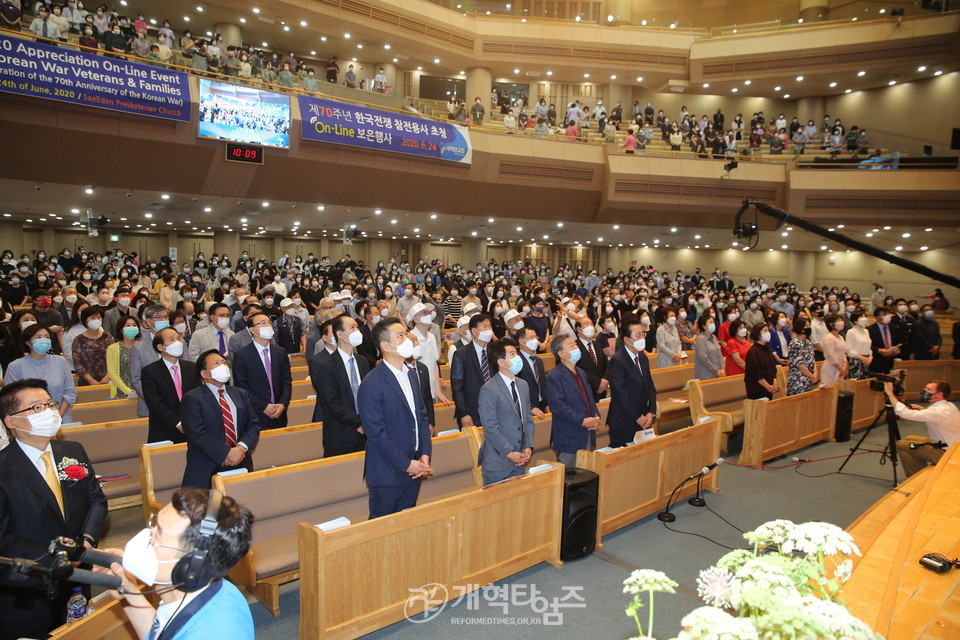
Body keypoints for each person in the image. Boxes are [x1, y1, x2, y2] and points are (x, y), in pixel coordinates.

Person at [0, 379, 107, 640]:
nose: (48, 412)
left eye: (49, 404)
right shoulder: (3, 468)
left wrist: (87, 542)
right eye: (36, 408)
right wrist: (60, 558)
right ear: (11, 421)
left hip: (77, 577)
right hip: (28, 585)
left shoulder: (72, 450)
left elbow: (96, 501)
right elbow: (4, 539)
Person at [95, 488, 254, 640]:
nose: (146, 537)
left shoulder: (205, 635)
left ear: (191, 566)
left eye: (158, 535)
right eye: (153, 526)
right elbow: (160, 633)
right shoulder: (222, 590)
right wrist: (127, 591)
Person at [356, 318, 433, 518]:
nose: (407, 339)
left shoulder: (411, 374)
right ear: (386, 346)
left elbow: (421, 417)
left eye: (406, 334)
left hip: (415, 467)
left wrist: (424, 452)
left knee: (406, 528)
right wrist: (406, 464)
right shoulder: (372, 383)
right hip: (388, 473)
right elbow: (376, 434)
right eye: (400, 336)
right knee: (382, 533)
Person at [179, 350, 263, 489]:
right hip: (207, 466)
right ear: (204, 374)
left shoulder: (240, 394)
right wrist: (227, 452)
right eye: (216, 363)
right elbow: (197, 434)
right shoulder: (193, 398)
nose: (222, 365)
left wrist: (241, 448)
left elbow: (253, 425)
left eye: (224, 362)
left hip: (241, 461)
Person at [477, 338, 535, 485]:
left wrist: (528, 445)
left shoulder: (523, 385)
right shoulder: (489, 389)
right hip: (499, 461)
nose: (518, 357)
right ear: (501, 362)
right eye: (512, 354)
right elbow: (490, 427)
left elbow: (527, 418)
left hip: (520, 458)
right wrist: (509, 453)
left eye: (516, 353)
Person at [317, 314, 370, 457]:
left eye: (357, 327)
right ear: (340, 334)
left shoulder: (362, 361)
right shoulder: (327, 366)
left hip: (367, 431)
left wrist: (368, 421)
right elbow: (330, 403)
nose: (356, 331)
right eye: (352, 327)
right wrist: (358, 423)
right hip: (341, 433)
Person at [545, 335, 600, 466]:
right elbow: (559, 406)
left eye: (575, 344)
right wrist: (582, 421)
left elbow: (589, 398)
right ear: (561, 353)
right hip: (569, 436)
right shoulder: (554, 375)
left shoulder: (580, 371)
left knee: (588, 474)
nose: (576, 347)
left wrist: (596, 416)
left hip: (587, 432)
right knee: (571, 478)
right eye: (571, 345)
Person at [885, 380, 960, 477]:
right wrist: (923, 410)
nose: (924, 390)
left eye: (928, 389)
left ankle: (916, 479)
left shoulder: (937, 412)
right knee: (910, 438)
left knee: (902, 445)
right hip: (952, 446)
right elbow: (936, 416)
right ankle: (922, 469)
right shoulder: (949, 405)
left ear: (939, 394)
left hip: (948, 454)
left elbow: (904, 413)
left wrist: (890, 394)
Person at [232, 313, 293, 430]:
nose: (268, 325)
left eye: (269, 322)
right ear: (252, 330)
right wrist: (263, 406)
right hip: (255, 413)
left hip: (279, 412)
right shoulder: (242, 356)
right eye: (263, 323)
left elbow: (286, 381)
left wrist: (282, 404)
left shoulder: (280, 352)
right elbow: (242, 387)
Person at [5, 324, 77, 423]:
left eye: (47, 337)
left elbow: (70, 393)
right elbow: (12, 399)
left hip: (61, 418)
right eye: (38, 337)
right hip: (30, 421)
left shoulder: (60, 361)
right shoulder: (15, 366)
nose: (44, 339)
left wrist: (58, 416)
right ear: (28, 342)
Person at [141, 328, 199, 444]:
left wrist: (191, 421)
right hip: (165, 428)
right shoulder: (150, 371)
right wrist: (178, 423)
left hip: (192, 427)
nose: (177, 342)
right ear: (160, 347)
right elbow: (155, 403)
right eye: (171, 339)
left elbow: (198, 396)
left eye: (178, 338)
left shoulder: (191, 367)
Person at [606, 318, 657, 448]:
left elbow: (650, 386)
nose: (642, 338)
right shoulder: (617, 360)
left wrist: (651, 411)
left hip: (644, 417)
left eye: (643, 334)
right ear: (627, 340)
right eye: (638, 335)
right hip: (624, 420)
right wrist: (637, 416)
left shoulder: (643, 357)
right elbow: (620, 392)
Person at [450, 313, 495, 428]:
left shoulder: (495, 351)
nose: (489, 330)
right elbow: (457, 387)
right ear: (474, 331)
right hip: (472, 410)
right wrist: (464, 413)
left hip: (495, 408)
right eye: (485, 327)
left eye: (490, 326)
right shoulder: (461, 354)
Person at [72, 306, 114, 386]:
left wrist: (108, 377)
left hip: (108, 380)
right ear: (85, 321)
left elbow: (114, 358)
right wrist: (91, 380)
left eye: (98, 317)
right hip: (87, 382)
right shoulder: (78, 340)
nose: (96, 320)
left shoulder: (108, 337)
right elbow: (77, 364)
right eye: (92, 318)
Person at [574, 316, 608, 400]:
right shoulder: (574, 347)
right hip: (585, 389)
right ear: (579, 329)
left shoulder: (597, 345)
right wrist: (597, 383)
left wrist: (604, 380)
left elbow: (606, 364)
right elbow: (576, 369)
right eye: (586, 324)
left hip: (602, 389)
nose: (590, 326)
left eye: (591, 324)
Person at [106, 316, 140, 399]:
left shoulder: (143, 347)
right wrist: (128, 391)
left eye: (134, 325)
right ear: (121, 329)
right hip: (121, 392)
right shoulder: (112, 348)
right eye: (128, 325)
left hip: (142, 391)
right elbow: (112, 373)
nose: (131, 327)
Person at [515, 327, 547, 415]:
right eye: (531, 337)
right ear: (522, 341)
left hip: (542, 406)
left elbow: (543, 384)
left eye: (535, 337)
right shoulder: (516, 361)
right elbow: (516, 389)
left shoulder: (539, 361)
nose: (535, 340)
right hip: (526, 408)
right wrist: (531, 407)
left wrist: (547, 403)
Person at [744, 323, 779, 400]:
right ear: (758, 333)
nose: (768, 333)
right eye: (765, 331)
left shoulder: (766, 349)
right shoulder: (753, 352)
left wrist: (774, 383)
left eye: (768, 330)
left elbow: (773, 368)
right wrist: (767, 386)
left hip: (769, 389)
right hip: (758, 390)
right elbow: (756, 373)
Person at [787, 316, 817, 396]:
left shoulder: (808, 342)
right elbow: (799, 364)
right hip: (798, 380)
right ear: (801, 328)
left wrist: (815, 373)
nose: (809, 328)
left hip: (809, 379)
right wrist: (811, 376)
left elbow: (813, 359)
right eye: (807, 326)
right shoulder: (795, 343)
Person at [868, 307, 900, 374]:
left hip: (891, 361)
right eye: (884, 314)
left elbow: (897, 341)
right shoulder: (870, 330)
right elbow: (868, 346)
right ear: (877, 317)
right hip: (877, 362)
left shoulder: (893, 327)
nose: (887, 316)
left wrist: (896, 349)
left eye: (888, 314)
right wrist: (878, 350)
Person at [694, 314, 724, 381]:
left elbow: (720, 355)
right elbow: (704, 359)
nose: (713, 324)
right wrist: (716, 370)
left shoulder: (714, 337)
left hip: (718, 373)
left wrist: (722, 369)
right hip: (706, 374)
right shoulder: (700, 339)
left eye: (713, 322)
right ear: (704, 326)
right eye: (710, 322)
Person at [844, 311, 873, 380]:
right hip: (856, 361)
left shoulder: (866, 331)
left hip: (867, 360)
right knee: (857, 381)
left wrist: (871, 356)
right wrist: (861, 358)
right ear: (855, 320)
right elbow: (848, 349)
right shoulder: (851, 332)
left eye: (864, 316)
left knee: (865, 381)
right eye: (861, 317)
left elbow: (868, 346)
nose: (864, 318)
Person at [821, 313, 848, 383]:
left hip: (841, 367)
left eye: (841, 320)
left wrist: (844, 366)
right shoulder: (829, 337)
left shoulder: (840, 337)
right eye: (838, 321)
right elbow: (830, 355)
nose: (841, 322)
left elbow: (844, 353)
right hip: (831, 368)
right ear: (831, 324)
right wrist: (840, 368)